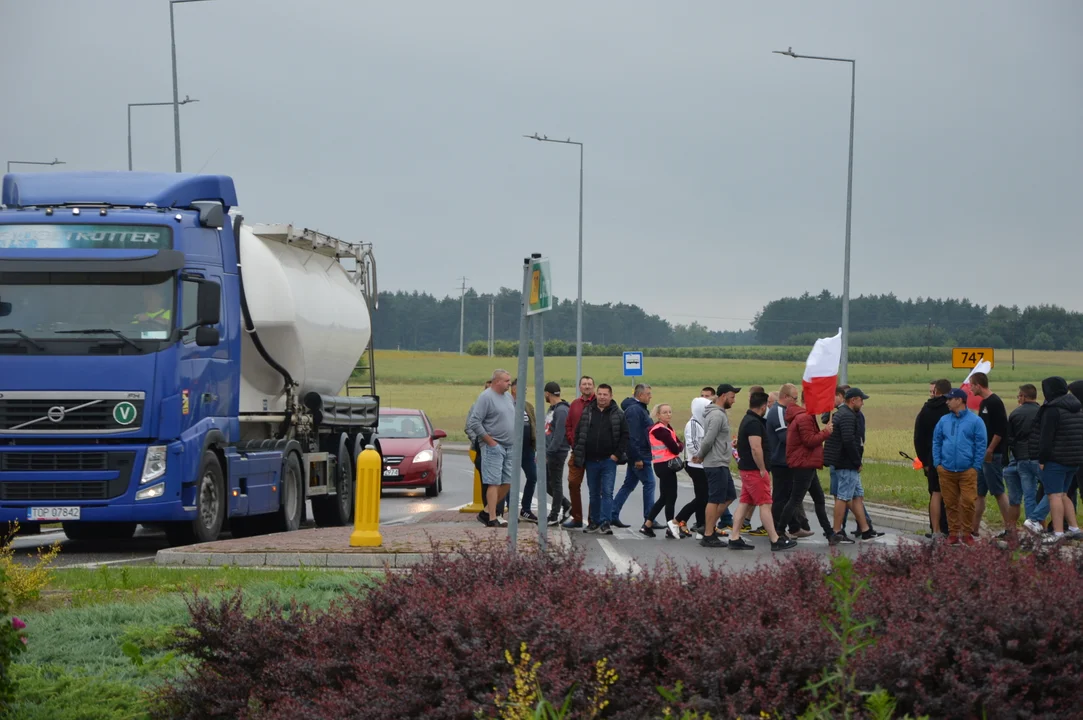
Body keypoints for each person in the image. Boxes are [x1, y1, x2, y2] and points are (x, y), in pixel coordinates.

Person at [728, 391, 797, 551]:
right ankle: (775, 539)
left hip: (747, 469)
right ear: (764, 406)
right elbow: (755, 448)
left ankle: (734, 537)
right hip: (754, 470)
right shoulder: (754, 423)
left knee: (745, 503)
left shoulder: (749, 419)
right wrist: (762, 469)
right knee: (765, 504)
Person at [1030, 377, 1083, 543]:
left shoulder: (1052, 410)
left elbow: (1046, 439)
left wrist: (1042, 459)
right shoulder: (1077, 407)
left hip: (1056, 460)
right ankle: (1074, 528)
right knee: (1064, 494)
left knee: (1054, 496)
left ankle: (1058, 533)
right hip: (1075, 459)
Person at [572, 383, 628, 535]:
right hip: (591, 460)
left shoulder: (618, 414)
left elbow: (625, 436)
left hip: (608, 461)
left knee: (607, 492)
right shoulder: (588, 411)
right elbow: (579, 433)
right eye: (600, 394)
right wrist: (578, 451)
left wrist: (616, 455)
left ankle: (605, 522)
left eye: (605, 394)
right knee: (594, 493)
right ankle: (594, 522)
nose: (602, 397)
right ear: (596, 395)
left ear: (611, 396)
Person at [933, 388, 986, 545]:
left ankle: (967, 533)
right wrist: (938, 463)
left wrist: (975, 466)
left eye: (950, 399)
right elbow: (936, 441)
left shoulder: (975, 421)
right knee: (950, 503)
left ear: (960, 400)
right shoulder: (943, 420)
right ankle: (953, 533)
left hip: (967, 470)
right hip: (946, 469)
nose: (947, 402)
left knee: (968, 501)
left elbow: (981, 444)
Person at [824, 388, 877, 544]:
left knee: (855, 496)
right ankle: (836, 531)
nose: (862, 404)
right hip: (846, 463)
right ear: (853, 400)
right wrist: (856, 462)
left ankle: (865, 529)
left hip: (843, 462)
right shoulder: (847, 416)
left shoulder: (843, 414)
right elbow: (848, 441)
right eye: (861, 400)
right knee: (843, 497)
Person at [465, 370, 517, 527]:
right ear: (497, 382)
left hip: (509, 446)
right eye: (507, 381)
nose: (510, 383)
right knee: (493, 482)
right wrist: (490, 442)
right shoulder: (486, 397)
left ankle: (486, 511)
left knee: (508, 482)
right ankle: (492, 517)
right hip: (493, 446)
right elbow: (474, 422)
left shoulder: (507, 397)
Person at [782, 393, 835, 540]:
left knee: (819, 498)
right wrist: (826, 432)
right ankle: (779, 531)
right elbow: (809, 441)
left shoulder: (804, 416)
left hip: (807, 462)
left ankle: (829, 533)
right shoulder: (804, 417)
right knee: (795, 499)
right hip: (803, 464)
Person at [694, 384, 740, 548]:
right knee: (714, 499)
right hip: (715, 462)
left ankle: (708, 526)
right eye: (732, 397)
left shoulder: (720, 414)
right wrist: (700, 455)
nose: (734, 401)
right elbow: (708, 439)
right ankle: (708, 534)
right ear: (723, 396)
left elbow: (717, 438)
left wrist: (729, 444)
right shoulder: (716, 415)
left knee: (729, 495)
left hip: (721, 461)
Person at [766, 383, 812, 539]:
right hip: (780, 461)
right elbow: (785, 437)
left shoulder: (785, 410)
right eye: (794, 398)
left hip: (787, 460)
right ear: (785, 397)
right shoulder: (778, 411)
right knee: (780, 497)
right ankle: (777, 529)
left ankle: (794, 526)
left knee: (789, 496)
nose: (796, 401)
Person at [968, 372, 1010, 537]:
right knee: (979, 493)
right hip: (981, 455)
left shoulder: (994, 402)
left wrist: (990, 450)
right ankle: (973, 528)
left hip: (992, 455)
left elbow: (1001, 430)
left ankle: (1010, 529)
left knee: (998, 491)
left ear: (978, 385)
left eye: (971, 385)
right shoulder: (984, 402)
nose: (970, 389)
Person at [611, 384, 656, 528]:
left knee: (629, 485)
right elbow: (633, 436)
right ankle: (649, 518)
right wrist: (637, 458)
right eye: (648, 394)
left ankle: (612, 513)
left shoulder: (638, 409)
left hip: (639, 454)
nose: (650, 396)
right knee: (649, 483)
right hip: (640, 455)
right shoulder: (636, 411)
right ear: (640, 395)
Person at [496, 379, 538, 523]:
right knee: (510, 479)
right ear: (514, 389)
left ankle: (525, 509)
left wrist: (536, 446)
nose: (525, 391)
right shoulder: (507, 406)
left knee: (533, 476)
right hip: (512, 449)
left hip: (528, 450)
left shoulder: (528, 406)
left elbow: (534, 426)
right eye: (522, 388)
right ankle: (511, 509)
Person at [640, 404, 686, 538]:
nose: (668, 414)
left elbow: (679, 444)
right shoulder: (660, 430)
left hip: (664, 465)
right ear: (658, 415)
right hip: (665, 466)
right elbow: (676, 448)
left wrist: (678, 445)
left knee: (664, 497)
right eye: (665, 412)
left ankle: (647, 525)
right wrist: (678, 446)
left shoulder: (667, 428)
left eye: (670, 412)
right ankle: (671, 528)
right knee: (671, 497)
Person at [914, 378, 952, 538]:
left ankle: (935, 529)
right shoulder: (951, 409)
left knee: (935, 493)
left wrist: (924, 461)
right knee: (951, 494)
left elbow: (918, 437)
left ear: (936, 391)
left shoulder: (926, 409)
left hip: (931, 459)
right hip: (951, 458)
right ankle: (950, 529)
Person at [1006, 384, 1043, 534]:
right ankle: (1037, 520)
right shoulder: (1042, 412)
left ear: (1023, 396)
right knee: (1053, 491)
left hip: (1021, 458)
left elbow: (1010, 439)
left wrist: (1016, 453)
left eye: (1019, 396)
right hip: (1040, 458)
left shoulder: (1015, 414)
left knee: (1029, 495)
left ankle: (1031, 526)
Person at [562, 376, 596, 529]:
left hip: (595, 452)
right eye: (584, 384)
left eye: (589, 384)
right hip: (577, 452)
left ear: (593, 387)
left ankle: (593, 519)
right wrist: (572, 441)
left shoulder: (599, 403)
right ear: (580, 387)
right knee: (573, 483)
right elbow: (568, 425)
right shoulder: (575, 404)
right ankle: (576, 517)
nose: (587, 387)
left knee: (595, 487)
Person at [675, 397, 711, 538]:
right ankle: (678, 520)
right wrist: (702, 456)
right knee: (703, 497)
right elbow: (692, 444)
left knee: (703, 497)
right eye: (706, 409)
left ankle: (702, 524)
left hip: (701, 464)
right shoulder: (693, 424)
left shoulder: (702, 422)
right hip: (695, 464)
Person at [543, 382, 573, 526]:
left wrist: (549, 452)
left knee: (555, 483)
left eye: (545, 394)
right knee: (547, 483)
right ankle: (566, 504)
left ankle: (554, 514)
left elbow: (559, 434)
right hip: (549, 450)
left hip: (557, 452)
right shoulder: (552, 409)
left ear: (547, 393)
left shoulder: (561, 411)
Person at [465, 379, 493, 477]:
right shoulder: (476, 406)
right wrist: (477, 441)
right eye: (486, 389)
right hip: (481, 449)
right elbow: (469, 427)